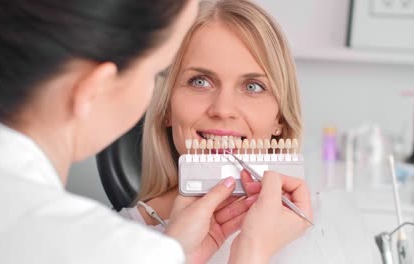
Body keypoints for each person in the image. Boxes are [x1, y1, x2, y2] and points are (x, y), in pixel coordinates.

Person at [0, 0, 311, 263]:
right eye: (154, 73)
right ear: (93, 88)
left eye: (253, 87)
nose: (223, 109)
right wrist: (250, 252)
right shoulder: (115, 247)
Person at [119, 0, 313, 263]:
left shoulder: (322, 228)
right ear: (166, 108)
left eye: (253, 86)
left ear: (280, 118)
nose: (223, 109)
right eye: (200, 82)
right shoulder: (113, 242)